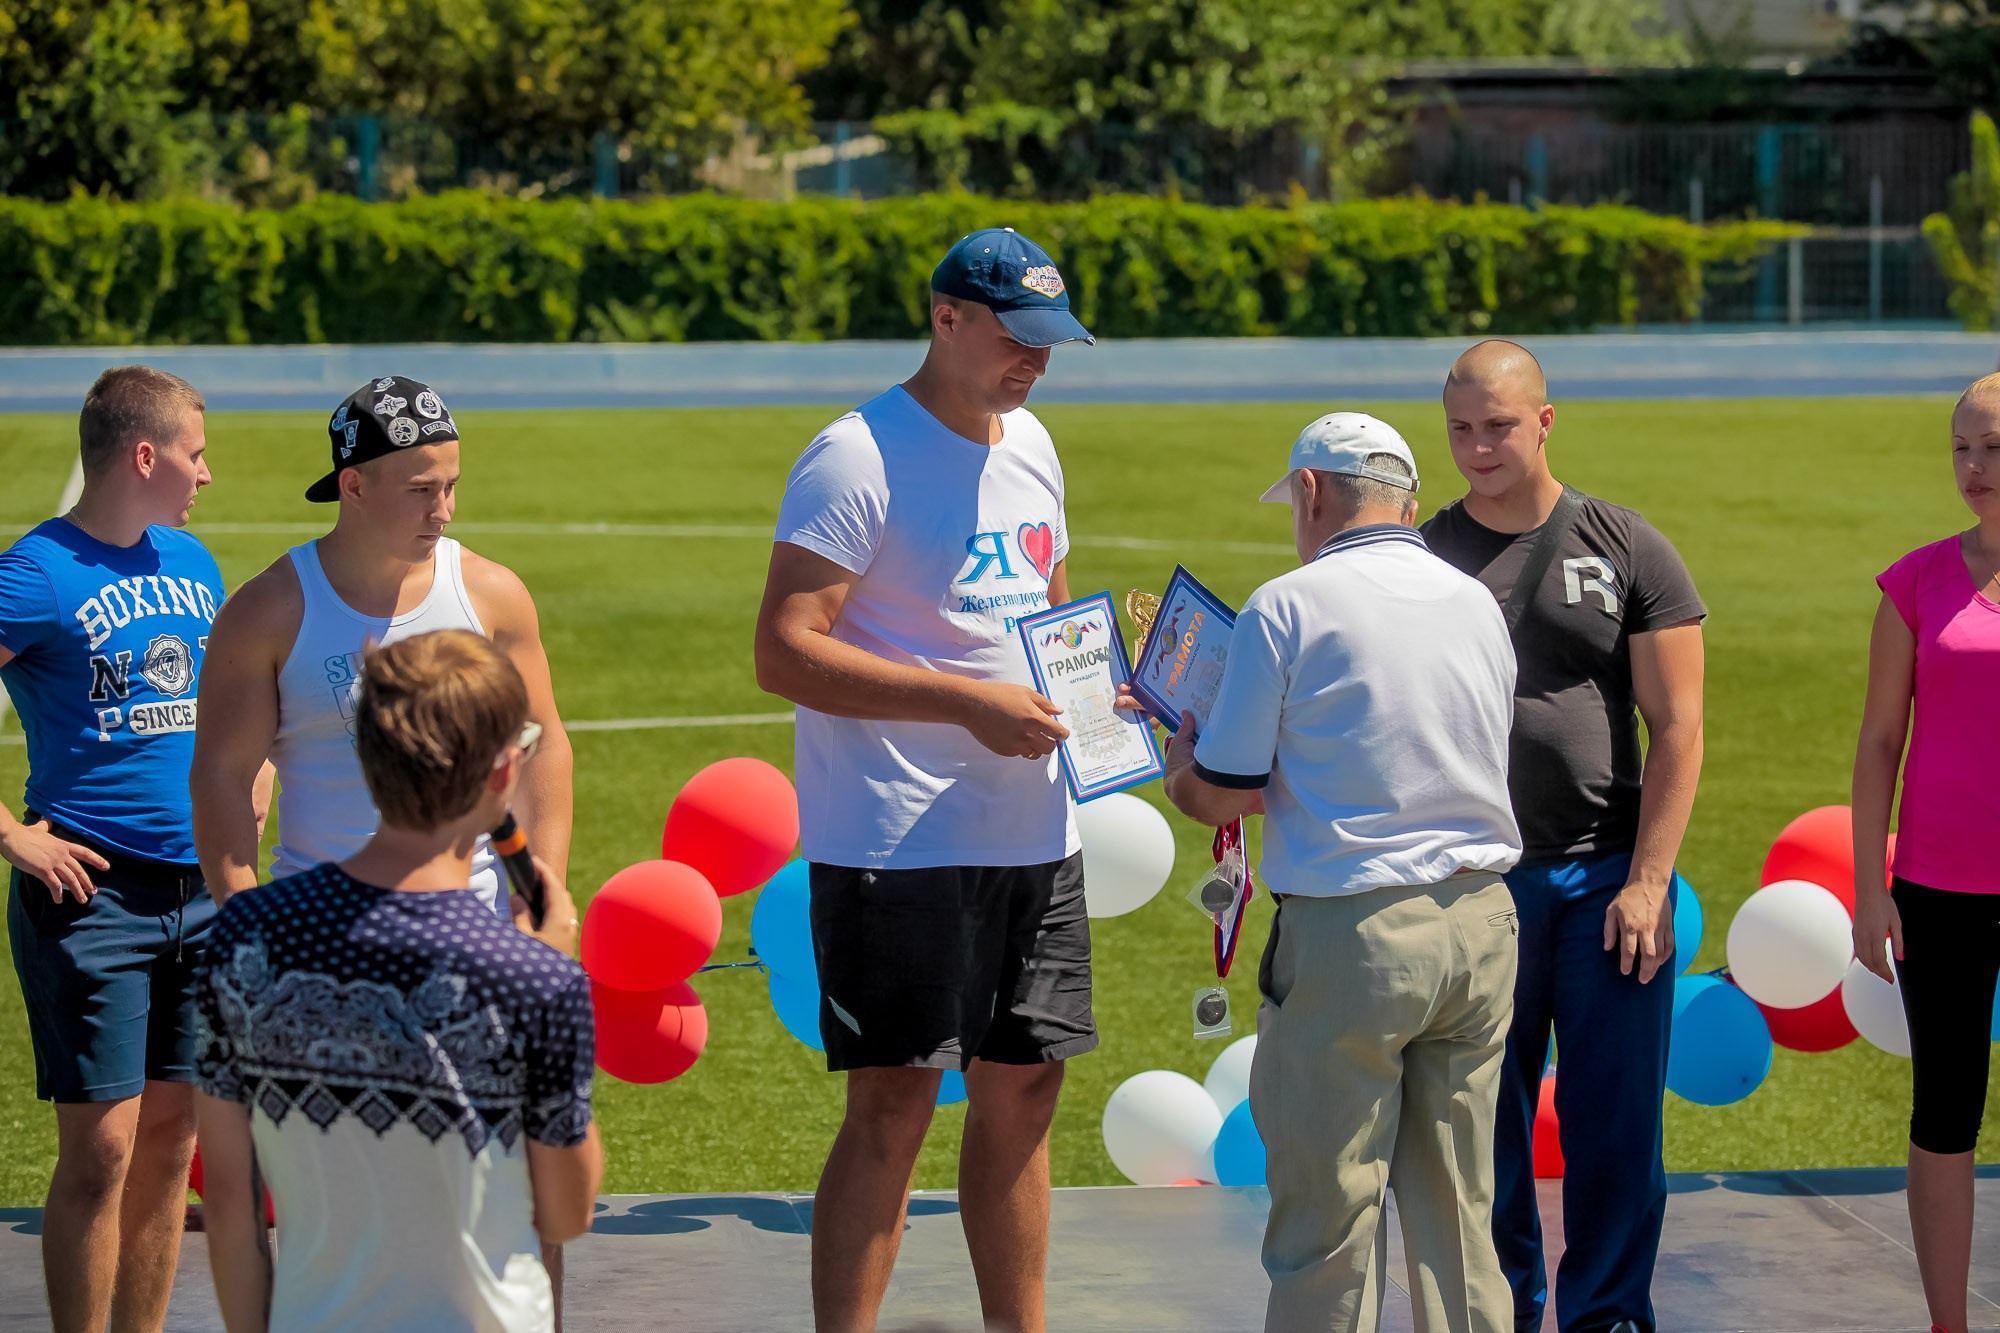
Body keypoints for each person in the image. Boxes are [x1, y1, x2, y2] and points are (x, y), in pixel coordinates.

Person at [753, 226, 1097, 1333]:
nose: (1033, 361)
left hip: (1034, 833)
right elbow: (783, 648)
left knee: (1025, 1092)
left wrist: (1096, 692)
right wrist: (961, 702)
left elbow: (1040, 609)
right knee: (894, 1105)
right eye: (1014, 335)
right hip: (896, 839)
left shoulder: (1034, 443)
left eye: (1048, 341)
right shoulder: (855, 454)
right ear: (944, 316)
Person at [1158, 411, 1521, 1333]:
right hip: (1481, 921)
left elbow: (1225, 791)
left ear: (1313, 493)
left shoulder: (1291, 602)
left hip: (1355, 933)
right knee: (1461, 1218)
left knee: (1328, 1221)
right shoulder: (1473, 597)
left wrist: (1178, 759)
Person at [193, 629, 597, 1333]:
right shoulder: (533, 976)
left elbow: (230, 1199)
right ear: (503, 772)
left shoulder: (242, 934)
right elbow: (565, 1208)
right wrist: (553, 973)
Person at [1421, 340, 1706, 1333]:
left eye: (1495, 425)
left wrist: (1646, 882)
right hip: (1475, 889)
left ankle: (1607, 1318)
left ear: (1544, 419)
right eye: (1458, 429)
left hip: (1605, 886)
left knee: (1614, 1132)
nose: (1475, 447)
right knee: (1478, 1137)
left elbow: (1676, 728)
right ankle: (1496, 1315)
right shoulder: (1423, 556)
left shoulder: (1626, 545)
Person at [0, 366, 239, 1332]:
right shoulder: (35, 572)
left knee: (173, 1141)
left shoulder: (194, 564)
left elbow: (227, 705)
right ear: (145, 455)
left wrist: (251, 770)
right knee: (100, 1149)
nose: (206, 473)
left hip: (201, 892)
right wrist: (12, 834)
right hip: (92, 896)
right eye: (196, 452)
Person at [190, 373, 574, 914]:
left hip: (473, 931)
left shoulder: (493, 595)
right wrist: (244, 920)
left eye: (450, 486)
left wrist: (542, 891)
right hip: (320, 938)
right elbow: (222, 775)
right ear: (353, 487)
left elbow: (542, 745)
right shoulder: (267, 612)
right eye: (420, 490)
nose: (442, 510)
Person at [1852, 373, 2000, 1333]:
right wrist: (1872, 889)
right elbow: (1878, 746)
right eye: (1962, 447)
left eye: (1993, 447)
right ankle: (1950, 1325)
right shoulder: (1916, 580)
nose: (1975, 467)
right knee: (1944, 1114)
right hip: (1939, 891)